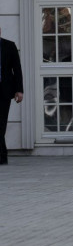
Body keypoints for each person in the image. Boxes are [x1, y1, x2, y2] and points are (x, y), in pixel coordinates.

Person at [0, 27, 23, 165]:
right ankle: (2, 155)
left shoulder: (9, 46)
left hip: (4, 90)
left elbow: (17, 69)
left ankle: (2, 155)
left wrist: (19, 90)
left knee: (1, 123)